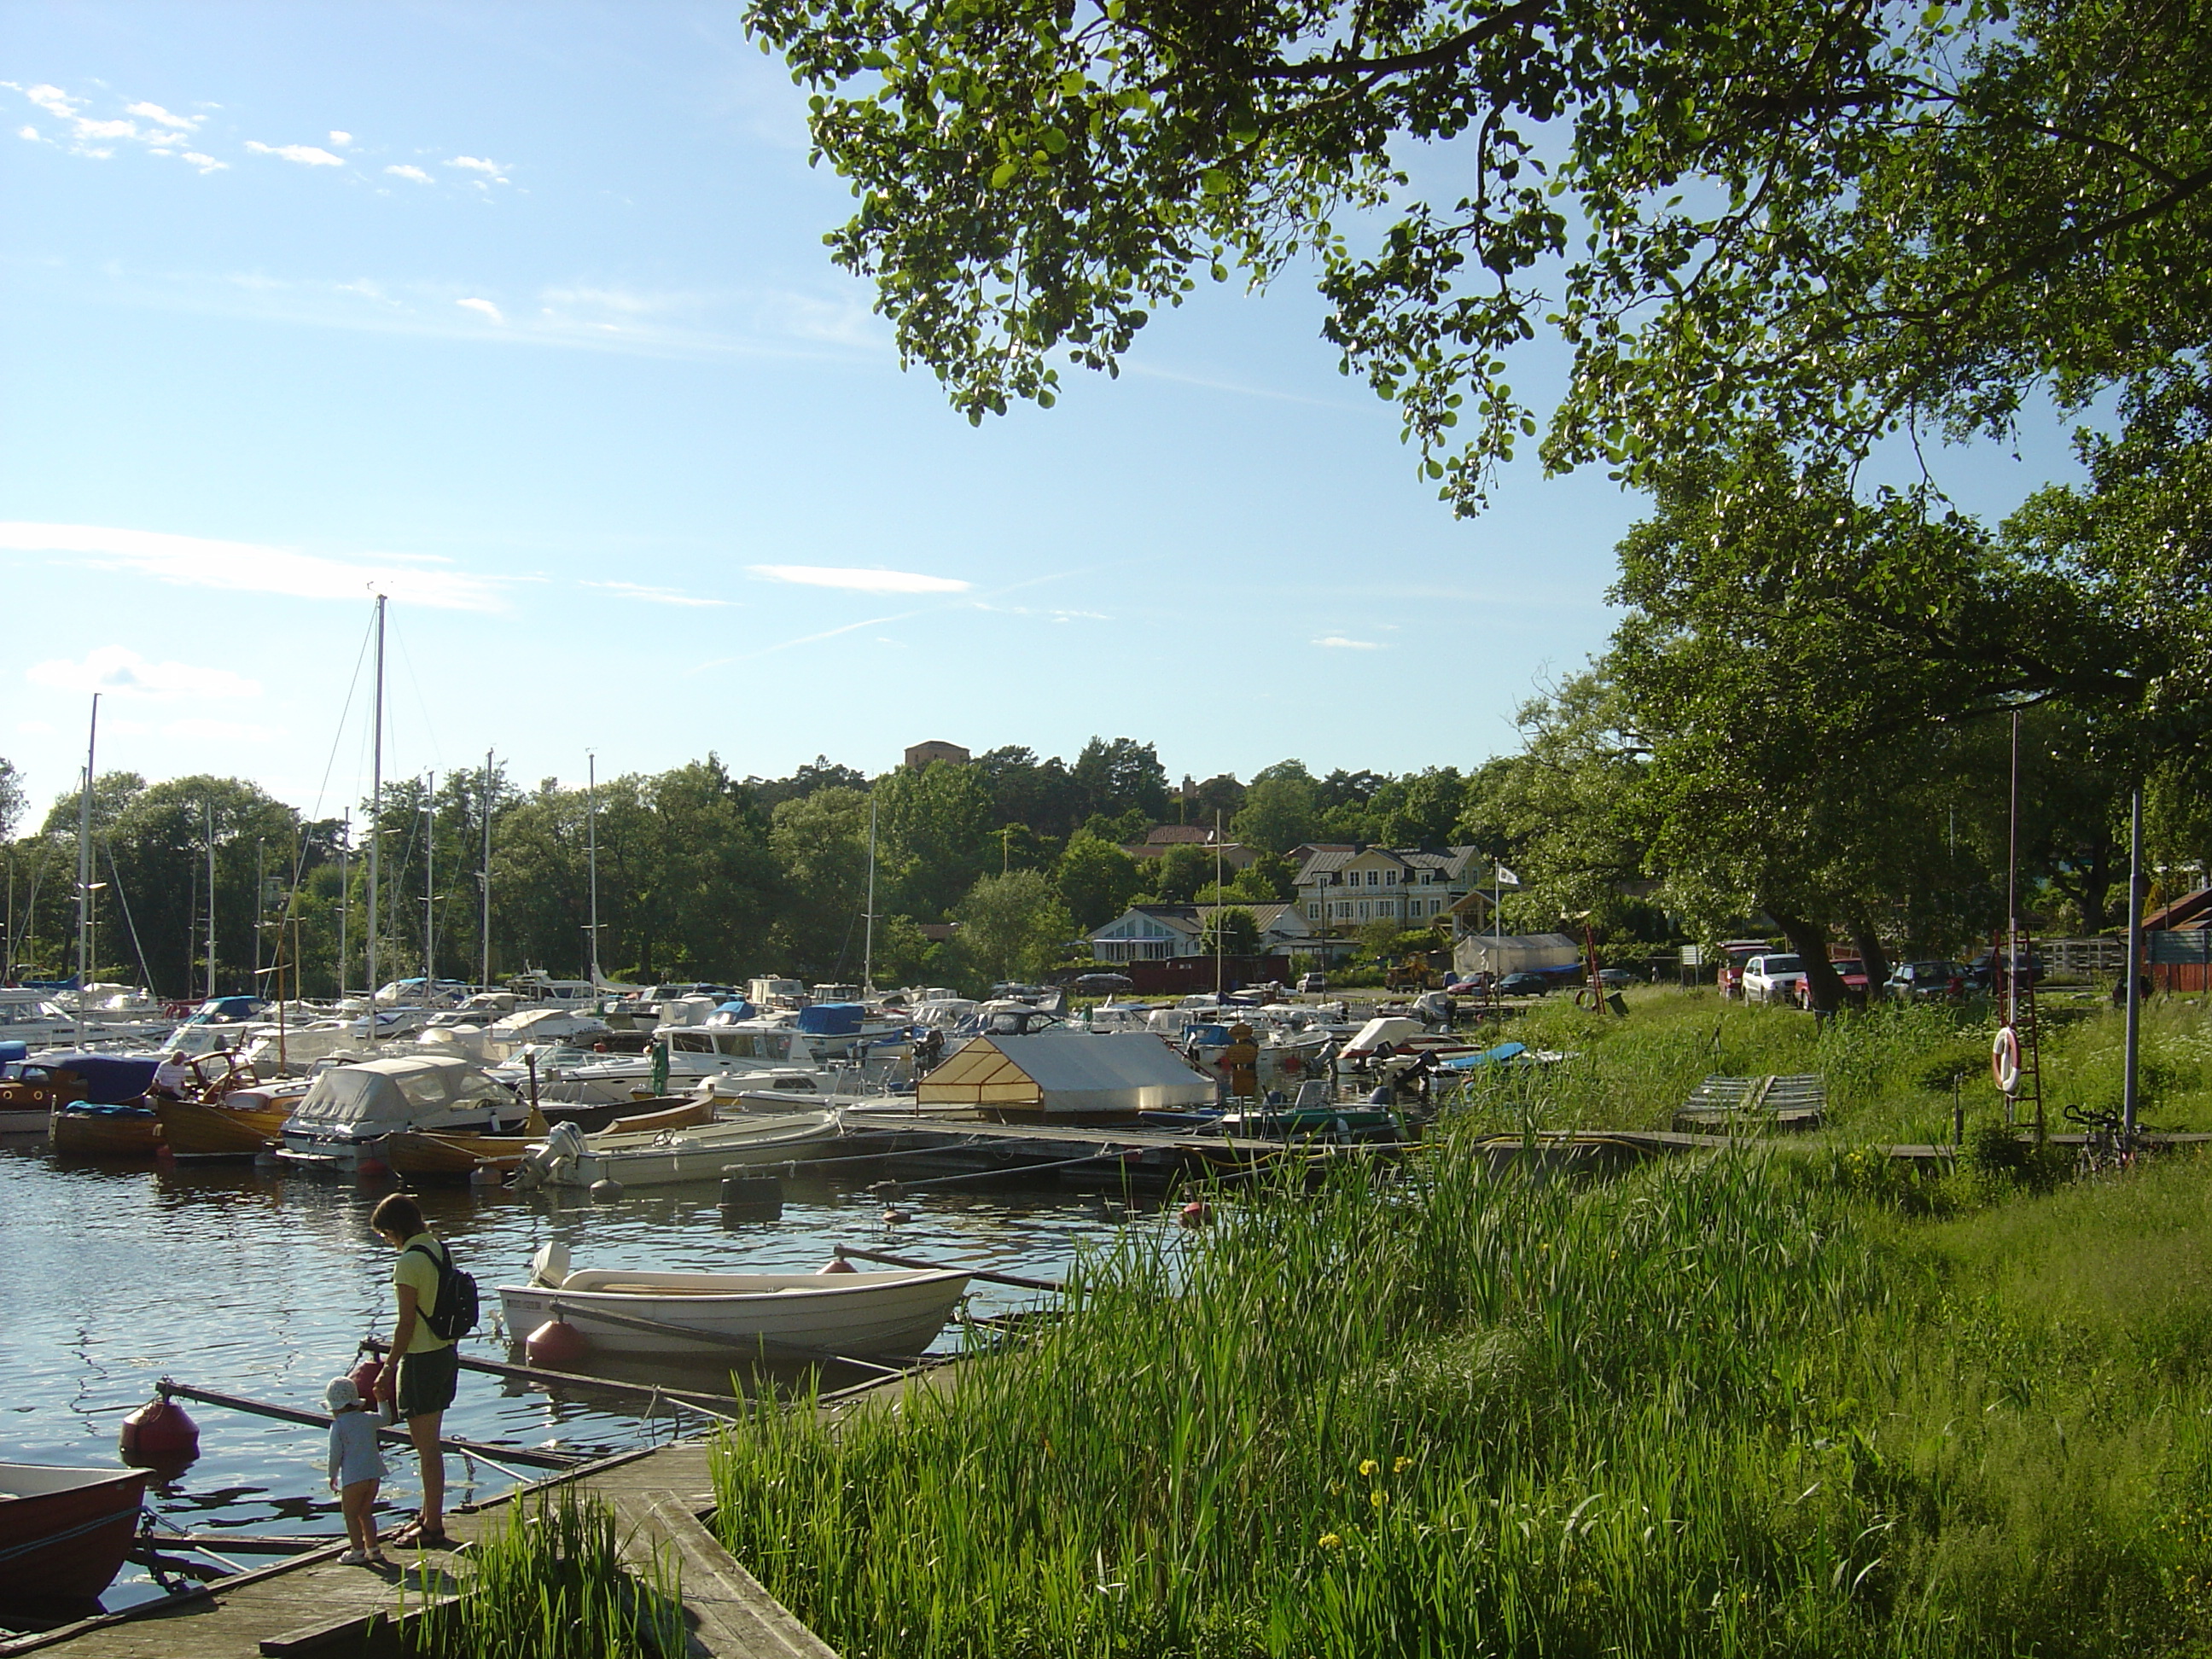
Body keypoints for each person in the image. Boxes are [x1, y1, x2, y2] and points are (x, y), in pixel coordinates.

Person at [369, 1193, 456, 1550]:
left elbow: (405, 1324)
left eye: (386, 1236)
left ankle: (433, 1527)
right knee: (430, 1445)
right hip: (446, 1353)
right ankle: (426, 1515)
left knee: (426, 1448)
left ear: (395, 1230)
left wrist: (387, 1369)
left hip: (420, 1359)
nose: (388, 1243)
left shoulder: (408, 1262)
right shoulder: (438, 1248)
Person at [323, 1375, 389, 1568]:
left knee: (350, 1515)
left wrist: (332, 1475)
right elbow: (386, 1418)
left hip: (354, 1477)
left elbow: (335, 1453)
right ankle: (373, 1549)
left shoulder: (338, 1426)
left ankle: (358, 1551)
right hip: (374, 1473)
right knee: (366, 1512)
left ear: (335, 1407)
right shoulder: (367, 1418)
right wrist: (381, 1399)